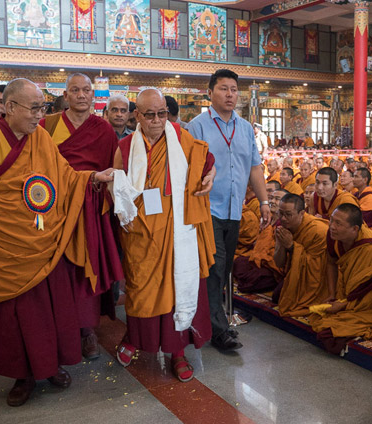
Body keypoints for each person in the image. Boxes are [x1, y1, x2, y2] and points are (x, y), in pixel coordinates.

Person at [0, 78, 115, 406]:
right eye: (34, 108)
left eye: (43, 107)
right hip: (4, 248)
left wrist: (93, 177)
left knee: (48, 312)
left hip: (45, 243)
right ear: (9, 108)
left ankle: (50, 367)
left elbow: (65, 176)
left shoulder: (42, 139)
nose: (40, 115)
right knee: (14, 318)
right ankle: (23, 376)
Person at [111, 87, 216, 383]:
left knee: (178, 288)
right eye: (150, 115)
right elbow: (116, 189)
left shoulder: (183, 139)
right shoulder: (125, 146)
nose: (157, 120)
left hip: (177, 230)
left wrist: (211, 177)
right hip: (140, 234)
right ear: (137, 115)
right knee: (142, 291)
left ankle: (177, 352)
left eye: (163, 114)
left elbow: (207, 165)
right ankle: (134, 338)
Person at [39, 73, 124, 361]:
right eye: (74, 90)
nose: (81, 95)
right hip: (55, 209)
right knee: (59, 271)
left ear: (93, 95)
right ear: (66, 95)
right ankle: (60, 327)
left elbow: (115, 172)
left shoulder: (103, 130)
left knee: (87, 270)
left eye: (86, 90)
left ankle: (88, 331)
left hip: (91, 210)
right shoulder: (47, 126)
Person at [188, 69, 270, 352]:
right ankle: (218, 330)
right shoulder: (197, 126)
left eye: (234, 89)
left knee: (222, 269)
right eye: (223, 89)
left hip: (235, 209)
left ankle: (205, 317)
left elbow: (254, 167)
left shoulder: (246, 128)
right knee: (214, 267)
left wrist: (264, 201)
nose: (230, 94)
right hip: (207, 209)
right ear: (210, 92)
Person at [312, 204, 372, 353]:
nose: (331, 226)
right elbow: (331, 262)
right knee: (319, 317)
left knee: (329, 331)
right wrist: (332, 295)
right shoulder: (334, 236)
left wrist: (343, 304)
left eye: (338, 223)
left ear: (355, 229)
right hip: (353, 293)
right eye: (331, 220)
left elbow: (370, 290)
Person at [272, 194, 329, 317]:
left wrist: (292, 247)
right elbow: (279, 263)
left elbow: (318, 267)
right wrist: (282, 244)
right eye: (280, 213)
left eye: (288, 214)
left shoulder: (318, 231)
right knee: (276, 297)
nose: (283, 218)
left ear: (302, 213)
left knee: (288, 302)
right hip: (297, 273)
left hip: (320, 281)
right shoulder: (282, 228)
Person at [232, 189, 288, 294]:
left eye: (277, 199)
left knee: (253, 279)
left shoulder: (285, 224)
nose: (272, 201)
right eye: (271, 198)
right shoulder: (268, 219)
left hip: (272, 265)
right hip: (258, 258)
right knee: (238, 262)